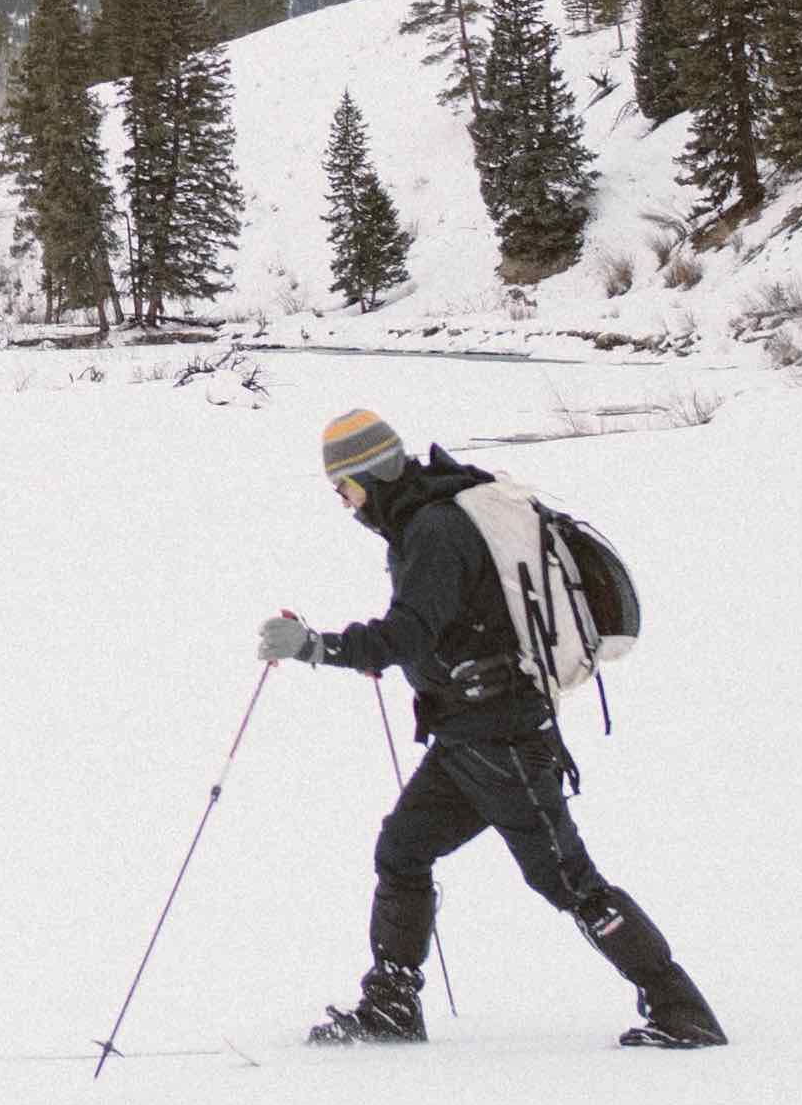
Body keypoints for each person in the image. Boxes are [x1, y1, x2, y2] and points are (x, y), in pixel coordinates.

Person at [259, 403, 725, 1049]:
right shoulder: (432, 520)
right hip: (466, 736)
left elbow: (410, 631)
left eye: (347, 488)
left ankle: (683, 1011)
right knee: (403, 849)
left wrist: (320, 647)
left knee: (566, 879)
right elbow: (443, 628)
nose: (346, 504)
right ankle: (391, 1006)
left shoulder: (435, 529)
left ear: (376, 473)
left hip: (502, 737)